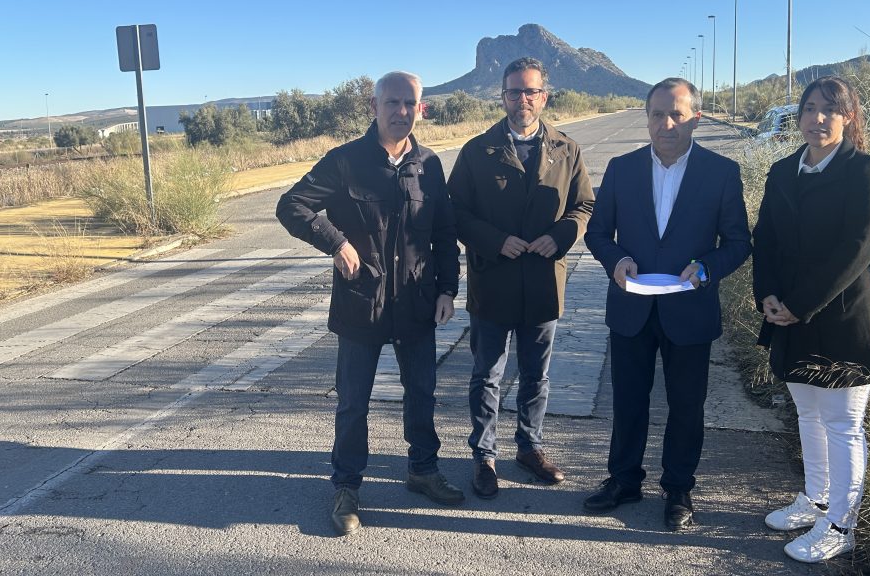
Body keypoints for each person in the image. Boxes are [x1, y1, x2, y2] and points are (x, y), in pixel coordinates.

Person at [276, 71, 464, 536]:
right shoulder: (345, 161)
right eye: (392, 102)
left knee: (422, 393)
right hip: (363, 303)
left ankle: (423, 469)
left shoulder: (429, 165)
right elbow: (291, 205)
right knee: (353, 402)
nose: (401, 111)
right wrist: (336, 242)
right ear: (374, 107)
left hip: (417, 303)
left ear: (421, 108)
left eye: (410, 103)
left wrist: (447, 289)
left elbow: (443, 234)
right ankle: (346, 487)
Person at [582, 77, 751, 530]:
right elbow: (597, 234)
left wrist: (706, 268)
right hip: (632, 308)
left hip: (689, 310)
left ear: (696, 116)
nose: (667, 124)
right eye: (658, 114)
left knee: (686, 405)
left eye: (677, 114)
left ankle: (678, 489)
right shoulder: (621, 168)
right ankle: (623, 480)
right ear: (648, 117)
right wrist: (615, 262)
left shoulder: (721, 173)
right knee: (628, 401)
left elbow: (737, 242)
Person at [753, 76, 870, 563]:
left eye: (828, 110)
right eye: (809, 109)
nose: (816, 119)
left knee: (843, 424)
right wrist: (768, 296)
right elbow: (765, 238)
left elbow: (858, 250)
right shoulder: (782, 170)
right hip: (787, 315)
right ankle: (815, 500)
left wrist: (799, 304)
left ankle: (840, 525)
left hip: (843, 319)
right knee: (807, 414)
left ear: (848, 117)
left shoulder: (864, 172)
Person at [447, 57, 594, 500]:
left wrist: (561, 236)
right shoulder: (477, 150)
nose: (522, 99)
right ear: (504, 96)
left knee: (536, 375)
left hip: (545, 283)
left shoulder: (567, 149)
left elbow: (584, 206)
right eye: (514, 92)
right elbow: (455, 213)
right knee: (487, 374)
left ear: (544, 96)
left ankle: (530, 448)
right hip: (494, 281)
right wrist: (495, 241)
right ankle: (484, 456)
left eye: (531, 91)